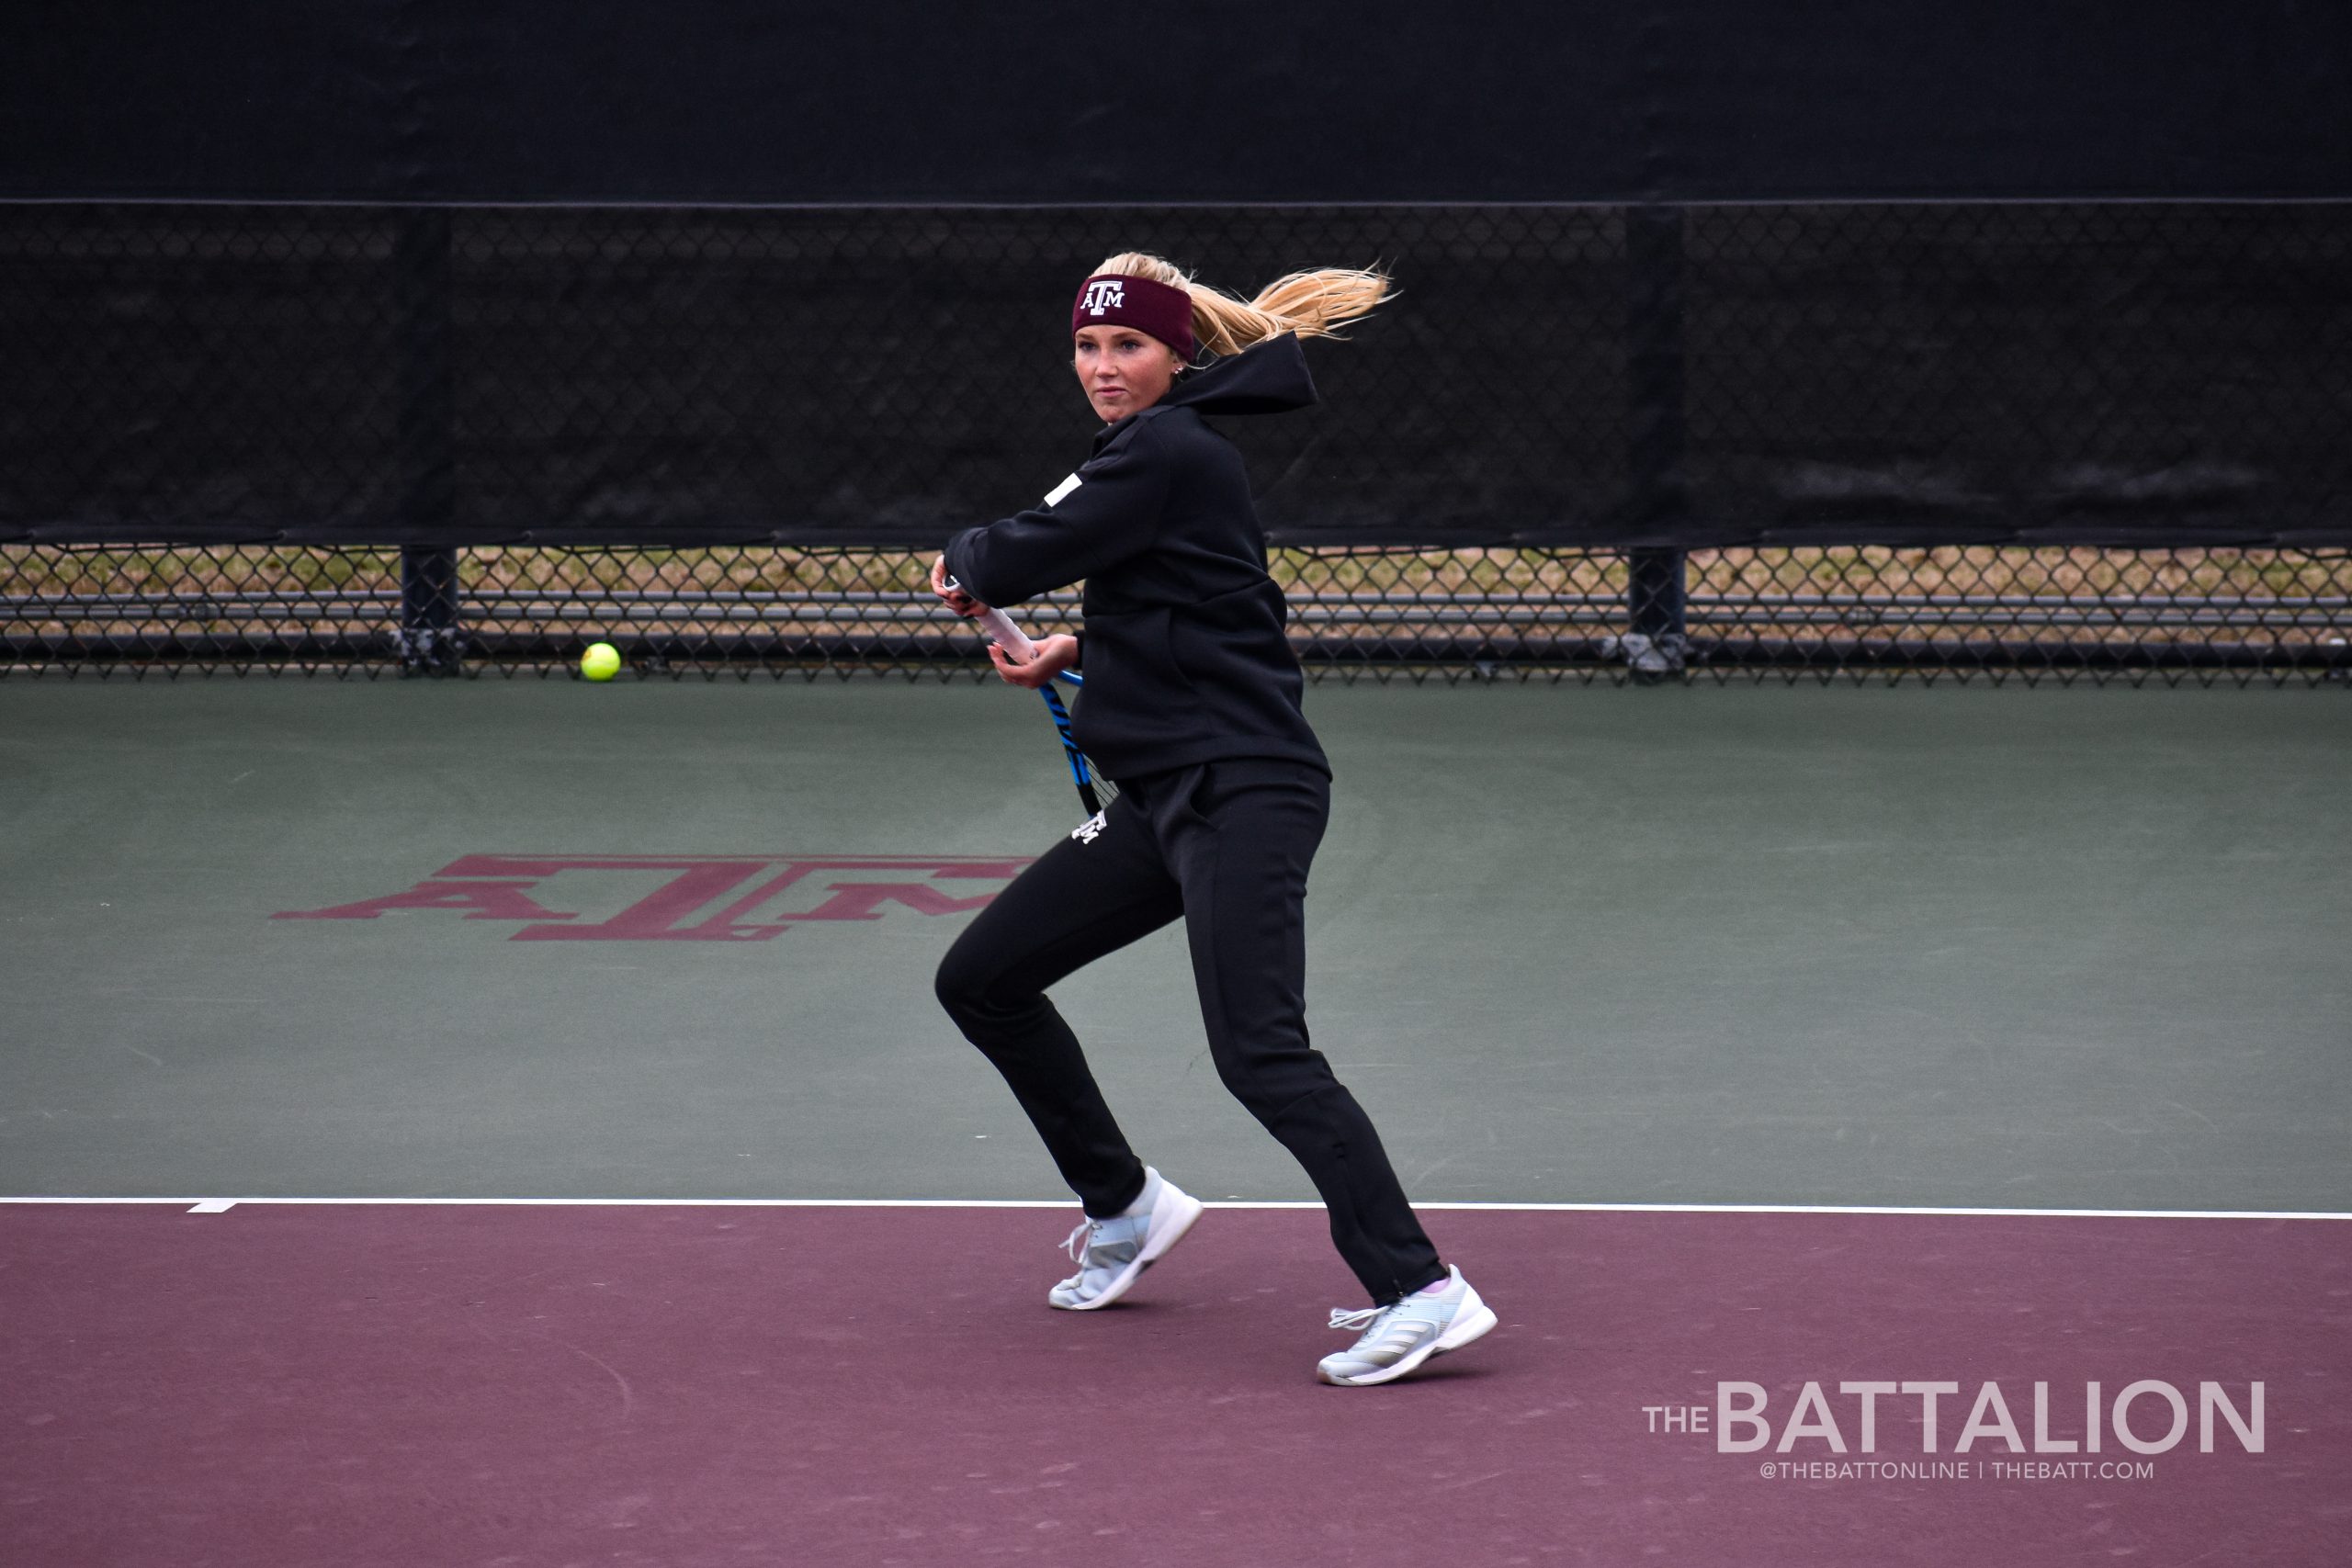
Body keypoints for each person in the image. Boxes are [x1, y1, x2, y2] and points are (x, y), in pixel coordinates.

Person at [930, 253, 1494, 1386]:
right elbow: (1199, 599)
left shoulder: (1165, 449)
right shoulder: (1161, 454)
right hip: (1167, 800)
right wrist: (1075, 648)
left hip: (1244, 792)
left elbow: (1006, 552)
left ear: (1174, 353)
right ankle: (1127, 1207)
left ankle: (1423, 1289)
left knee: (1260, 1053)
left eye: (1125, 347)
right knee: (981, 979)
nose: (1101, 367)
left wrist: (961, 564)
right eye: (1086, 348)